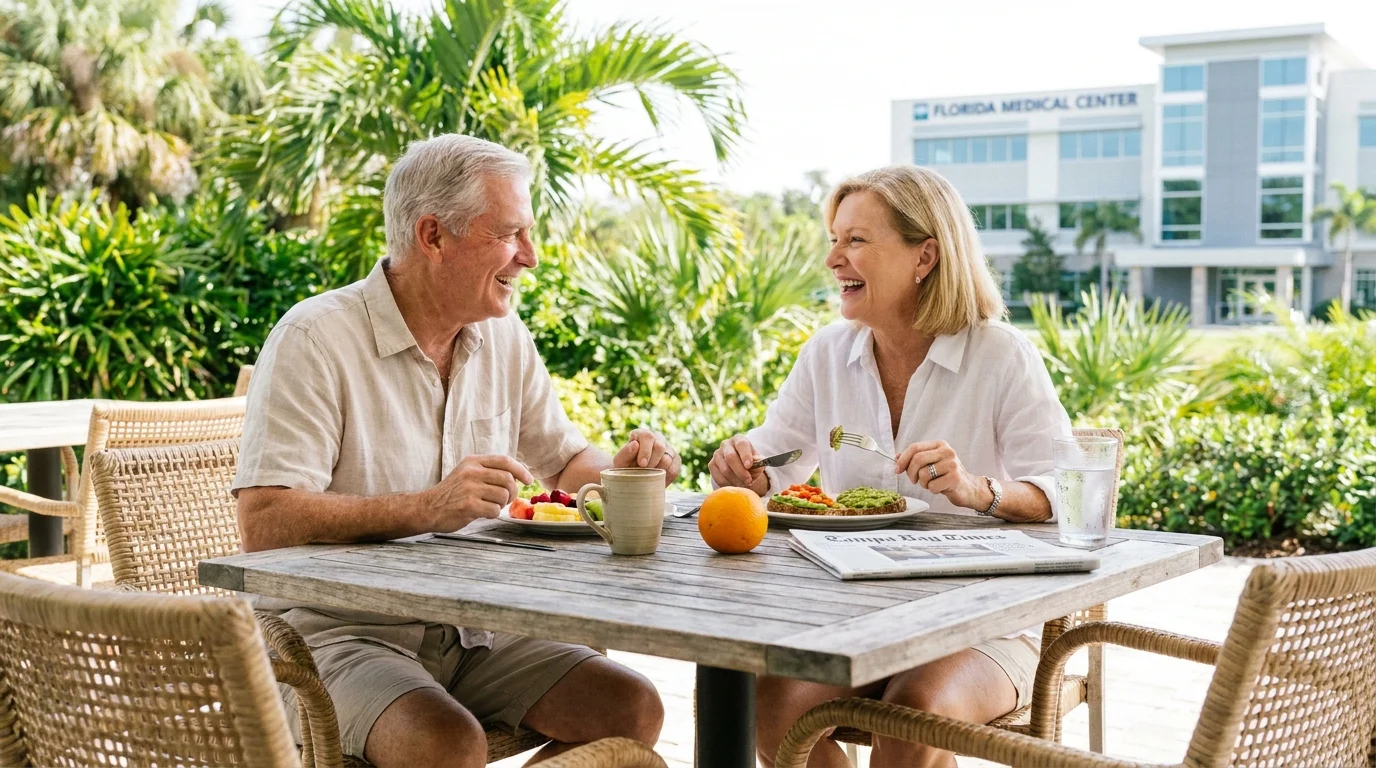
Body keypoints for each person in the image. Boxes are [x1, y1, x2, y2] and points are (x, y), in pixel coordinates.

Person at [233, 134, 674, 768]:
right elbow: (264, 524)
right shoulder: (316, 337)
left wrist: (625, 473)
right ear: (433, 236)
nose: (531, 257)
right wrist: (426, 508)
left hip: (474, 630)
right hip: (333, 633)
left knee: (631, 709)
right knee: (444, 742)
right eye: (510, 234)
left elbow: (568, 461)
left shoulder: (502, 334)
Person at [708, 165, 1071, 768]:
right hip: (852, 622)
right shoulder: (826, 353)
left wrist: (975, 489)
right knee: (770, 708)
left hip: (983, 626)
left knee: (910, 718)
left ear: (924, 256)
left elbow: (1066, 496)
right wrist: (746, 470)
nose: (833, 259)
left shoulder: (1002, 355)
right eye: (834, 239)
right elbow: (779, 459)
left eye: (855, 240)